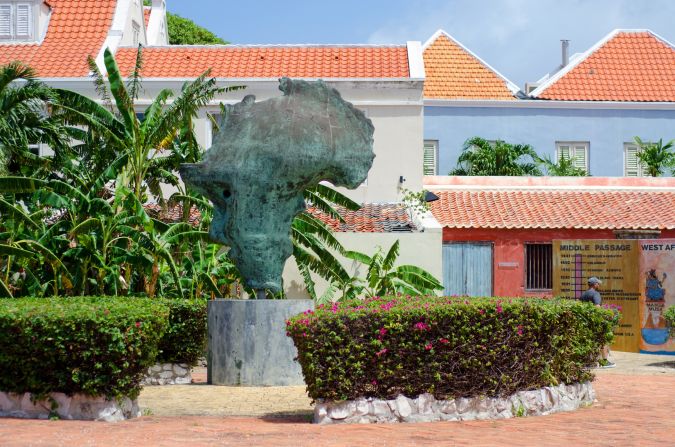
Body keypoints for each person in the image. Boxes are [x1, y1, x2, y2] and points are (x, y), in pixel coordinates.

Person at [580, 277, 615, 368]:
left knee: (589, 341)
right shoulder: (595, 294)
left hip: (585, 322)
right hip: (596, 322)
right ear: (595, 284)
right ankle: (604, 362)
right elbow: (597, 308)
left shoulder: (583, 295)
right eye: (598, 284)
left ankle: (588, 362)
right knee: (603, 340)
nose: (599, 285)